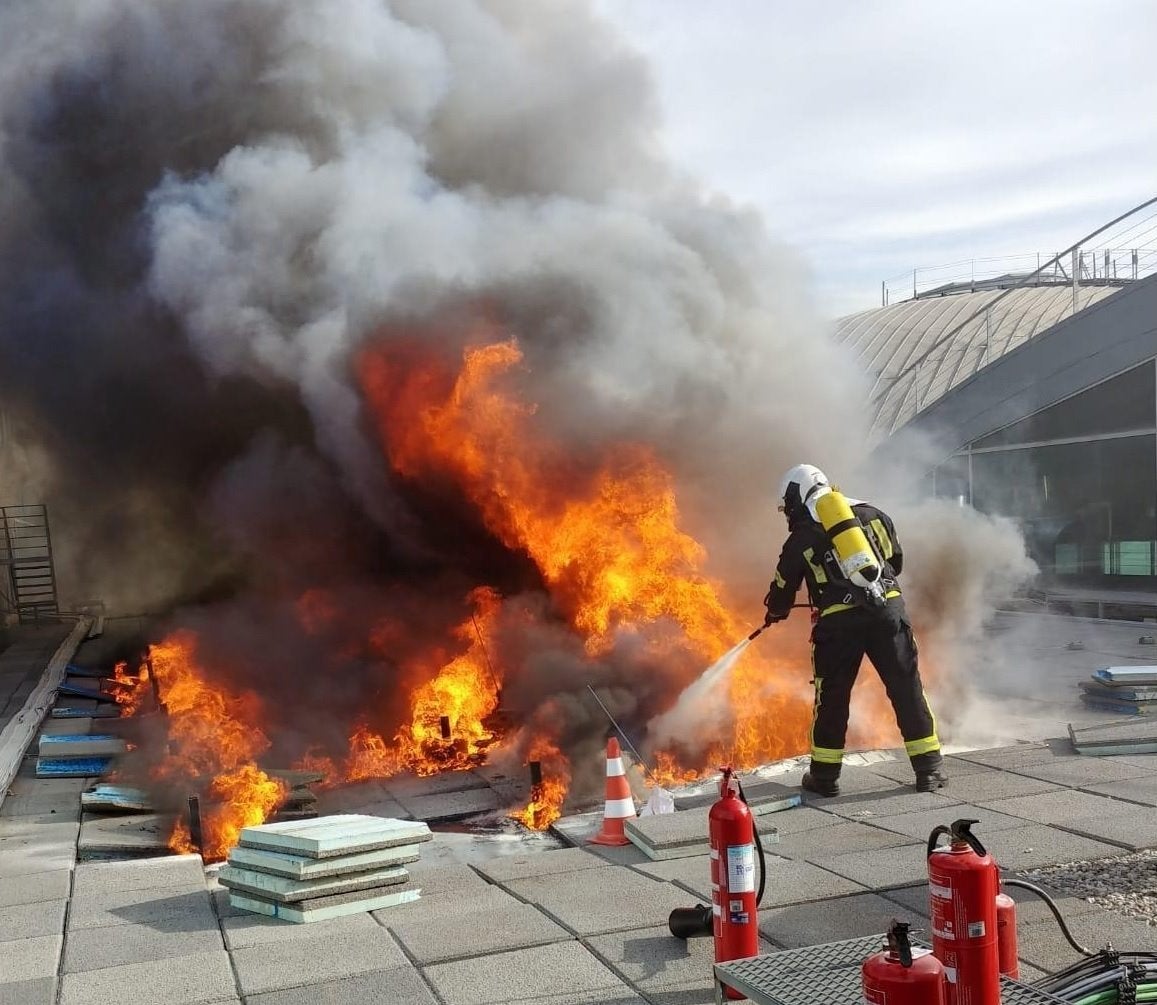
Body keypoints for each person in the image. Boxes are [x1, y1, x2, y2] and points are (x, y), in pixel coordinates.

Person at [762, 464, 945, 796]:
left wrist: (775, 611)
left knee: (831, 700)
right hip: (888, 614)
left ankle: (825, 778)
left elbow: (782, 588)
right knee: (906, 689)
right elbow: (895, 561)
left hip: (838, 628)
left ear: (797, 498)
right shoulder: (875, 515)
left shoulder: (801, 538)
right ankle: (929, 770)